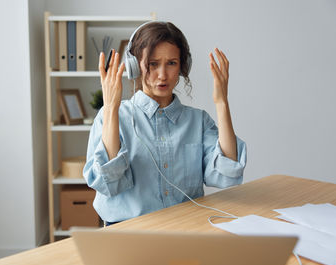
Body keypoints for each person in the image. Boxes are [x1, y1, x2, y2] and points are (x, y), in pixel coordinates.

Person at [83, 21, 247, 226]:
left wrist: (221, 102)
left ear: (182, 66)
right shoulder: (114, 116)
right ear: (136, 66)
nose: (162, 75)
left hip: (187, 230)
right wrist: (110, 108)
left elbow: (227, 173)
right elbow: (107, 183)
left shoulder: (198, 121)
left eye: (171, 63)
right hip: (129, 234)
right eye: (153, 64)